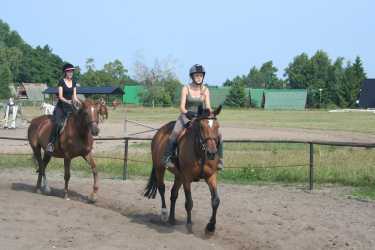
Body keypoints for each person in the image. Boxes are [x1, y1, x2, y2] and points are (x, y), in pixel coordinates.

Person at [162, 64, 224, 170]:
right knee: (175, 133)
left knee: (218, 134)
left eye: (200, 75)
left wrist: (212, 113)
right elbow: (181, 107)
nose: (199, 77)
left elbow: (208, 106)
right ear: (192, 76)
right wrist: (187, 112)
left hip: (201, 117)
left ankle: (220, 161)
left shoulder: (206, 90)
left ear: (203, 76)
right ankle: (167, 158)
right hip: (186, 116)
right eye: (196, 75)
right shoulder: (186, 88)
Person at [46, 63, 81, 153]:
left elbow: (74, 96)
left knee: (79, 121)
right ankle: (51, 144)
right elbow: (60, 97)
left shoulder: (74, 82)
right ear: (65, 72)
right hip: (61, 107)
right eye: (69, 71)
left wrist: (79, 102)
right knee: (58, 124)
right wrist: (68, 101)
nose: (71, 73)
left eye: (72, 71)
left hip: (70, 107)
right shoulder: (61, 82)